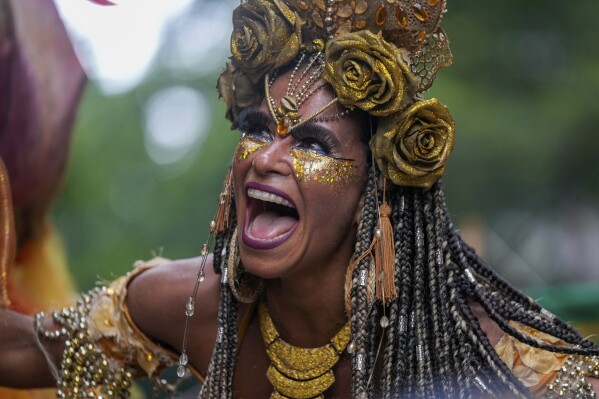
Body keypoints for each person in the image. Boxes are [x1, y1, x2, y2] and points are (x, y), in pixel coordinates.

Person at [1, 0, 599, 398]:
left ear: (379, 182)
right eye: (257, 130)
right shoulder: (190, 307)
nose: (265, 157)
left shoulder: (481, 358)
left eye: (310, 142)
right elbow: (28, 348)